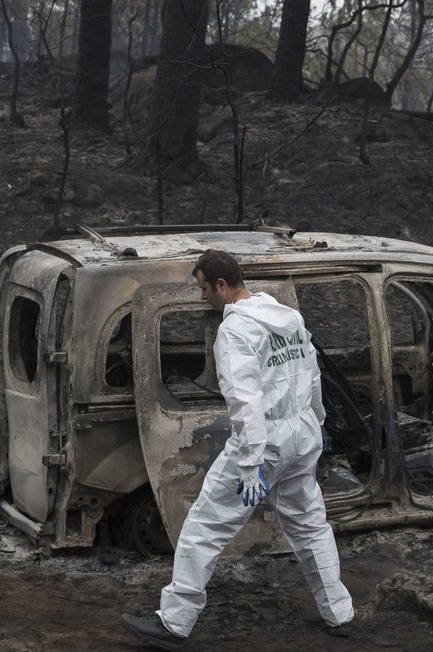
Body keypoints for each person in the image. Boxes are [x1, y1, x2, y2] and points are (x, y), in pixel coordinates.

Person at [121, 250, 355, 651]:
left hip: (266, 443)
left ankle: (174, 622)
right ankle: (339, 613)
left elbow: (244, 403)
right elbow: (311, 373)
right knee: (310, 524)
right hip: (301, 433)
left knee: (203, 527)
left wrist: (250, 465)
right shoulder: (288, 317)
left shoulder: (235, 332)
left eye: (203, 288)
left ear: (222, 286)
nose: (201, 297)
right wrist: (315, 422)